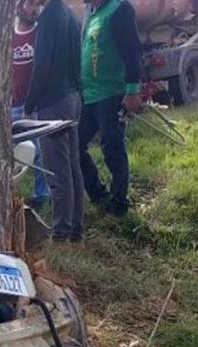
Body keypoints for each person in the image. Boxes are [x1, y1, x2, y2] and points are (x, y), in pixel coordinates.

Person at [24, 0, 85, 240]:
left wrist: (29, 105)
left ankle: (61, 232)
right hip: (72, 97)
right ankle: (75, 229)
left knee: (56, 170)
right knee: (72, 166)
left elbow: (41, 67)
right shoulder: (70, 16)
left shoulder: (48, 17)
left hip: (53, 101)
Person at [78, 0, 142, 217]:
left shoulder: (119, 9)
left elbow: (133, 52)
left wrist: (132, 91)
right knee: (76, 146)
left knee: (112, 146)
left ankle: (119, 202)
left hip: (112, 93)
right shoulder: (91, 11)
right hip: (89, 95)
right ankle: (98, 195)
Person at [11, 0, 51, 212]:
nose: (35, 8)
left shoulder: (41, 33)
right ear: (19, 6)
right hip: (12, 104)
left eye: (38, 4)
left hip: (34, 104)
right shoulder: (10, 35)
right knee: (12, 151)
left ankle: (41, 194)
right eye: (30, 3)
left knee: (40, 151)